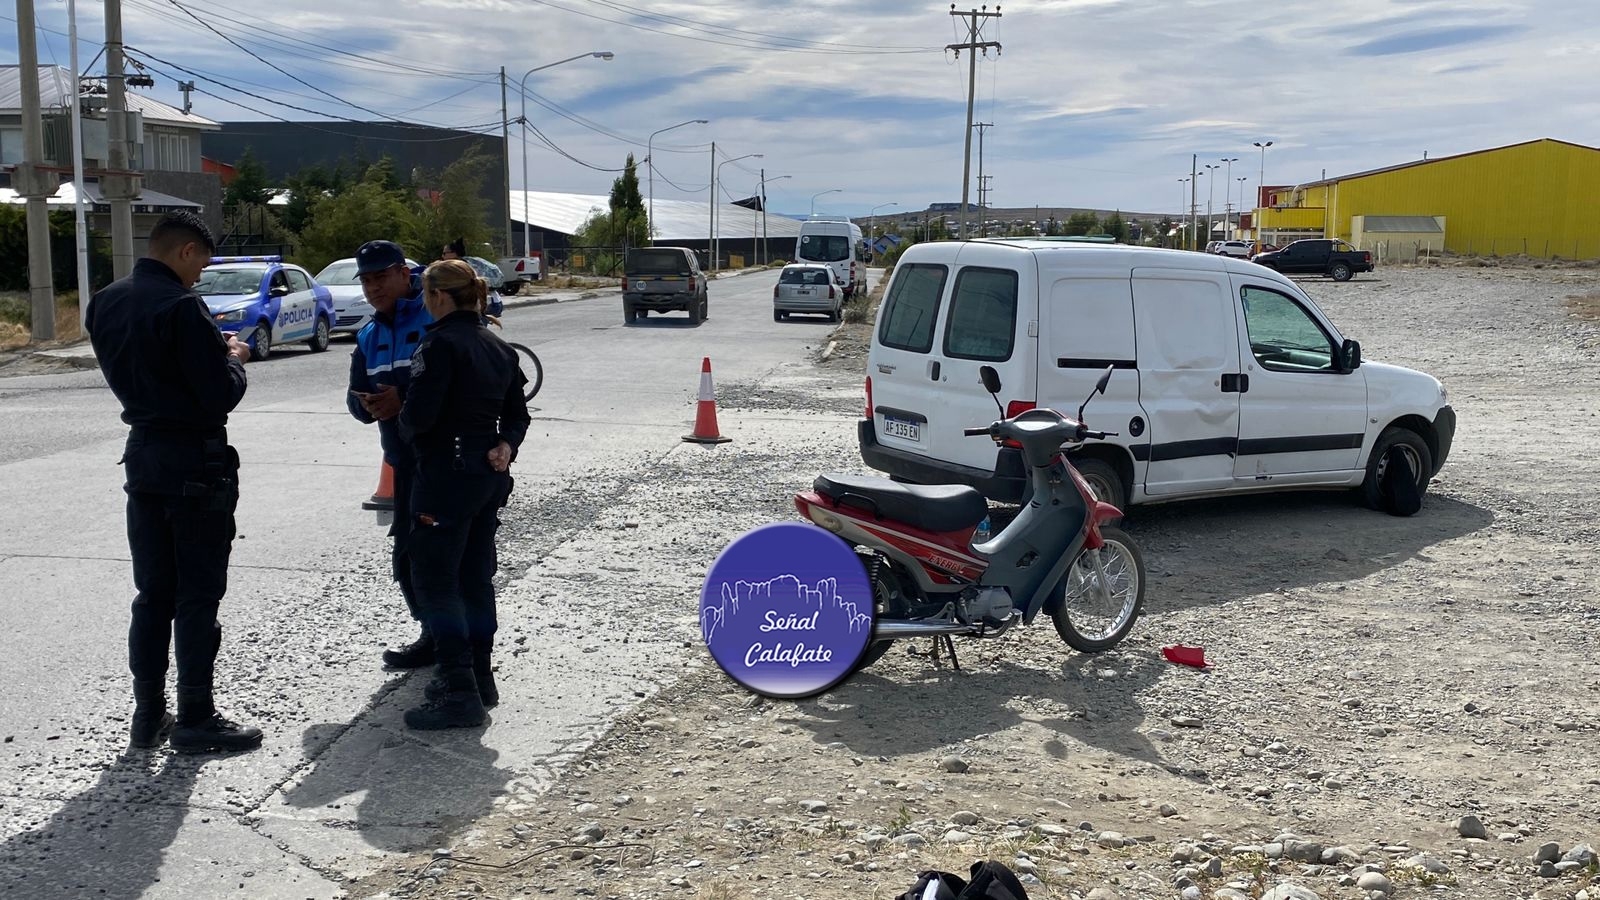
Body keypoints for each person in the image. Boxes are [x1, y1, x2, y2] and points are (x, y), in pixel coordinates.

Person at [85, 210, 264, 754]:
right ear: (186, 251)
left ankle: (147, 717)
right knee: (197, 594)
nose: (200, 277)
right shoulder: (182, 307)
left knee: (152, 594)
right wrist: (234, 357)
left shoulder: (106, 300)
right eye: (201, 265)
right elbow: (218, 394)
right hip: (195, 460)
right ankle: (196, 716)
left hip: (142, 455)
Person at [398, 258, 531, 730]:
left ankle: (458, 689)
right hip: (485, 475)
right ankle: (479, 675)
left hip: (445, 477)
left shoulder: (438, 345)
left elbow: (420, 417)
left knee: (436, 580)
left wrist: (402, 415)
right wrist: (506, 444)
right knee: (475, 577)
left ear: (436, 297)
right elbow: (519, 414)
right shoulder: (498, 346)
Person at [345, 240, 435, 669]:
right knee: (407, 555)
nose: (373, 287)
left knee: (447, 557)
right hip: (403, 462)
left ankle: (461, 653)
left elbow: (457, 383)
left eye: (381, 277)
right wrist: (366, 404)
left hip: (446, 463)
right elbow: (353, 399)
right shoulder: (368, 334)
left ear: (403, 273)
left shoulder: (436, 314)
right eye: (365, 280)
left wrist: (406, 399)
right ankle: (431, 634)